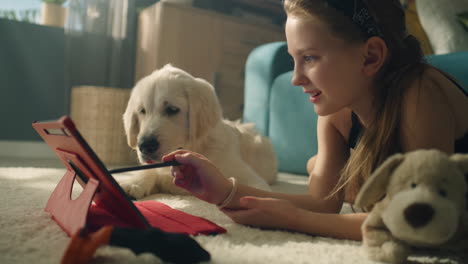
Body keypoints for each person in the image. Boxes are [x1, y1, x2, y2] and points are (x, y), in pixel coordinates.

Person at [162, 0, 468, 241]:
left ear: (371, 56)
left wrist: (295, 220)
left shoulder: (418, 95)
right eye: (294, 60)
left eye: (309, 58)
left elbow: (420, 220)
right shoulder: (337, 111)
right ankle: (327, 166)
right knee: (331, 175)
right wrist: (224, 190)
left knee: (336, 176)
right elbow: (323, 203)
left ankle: (327, 167)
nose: (296, 78)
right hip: (374, 167)